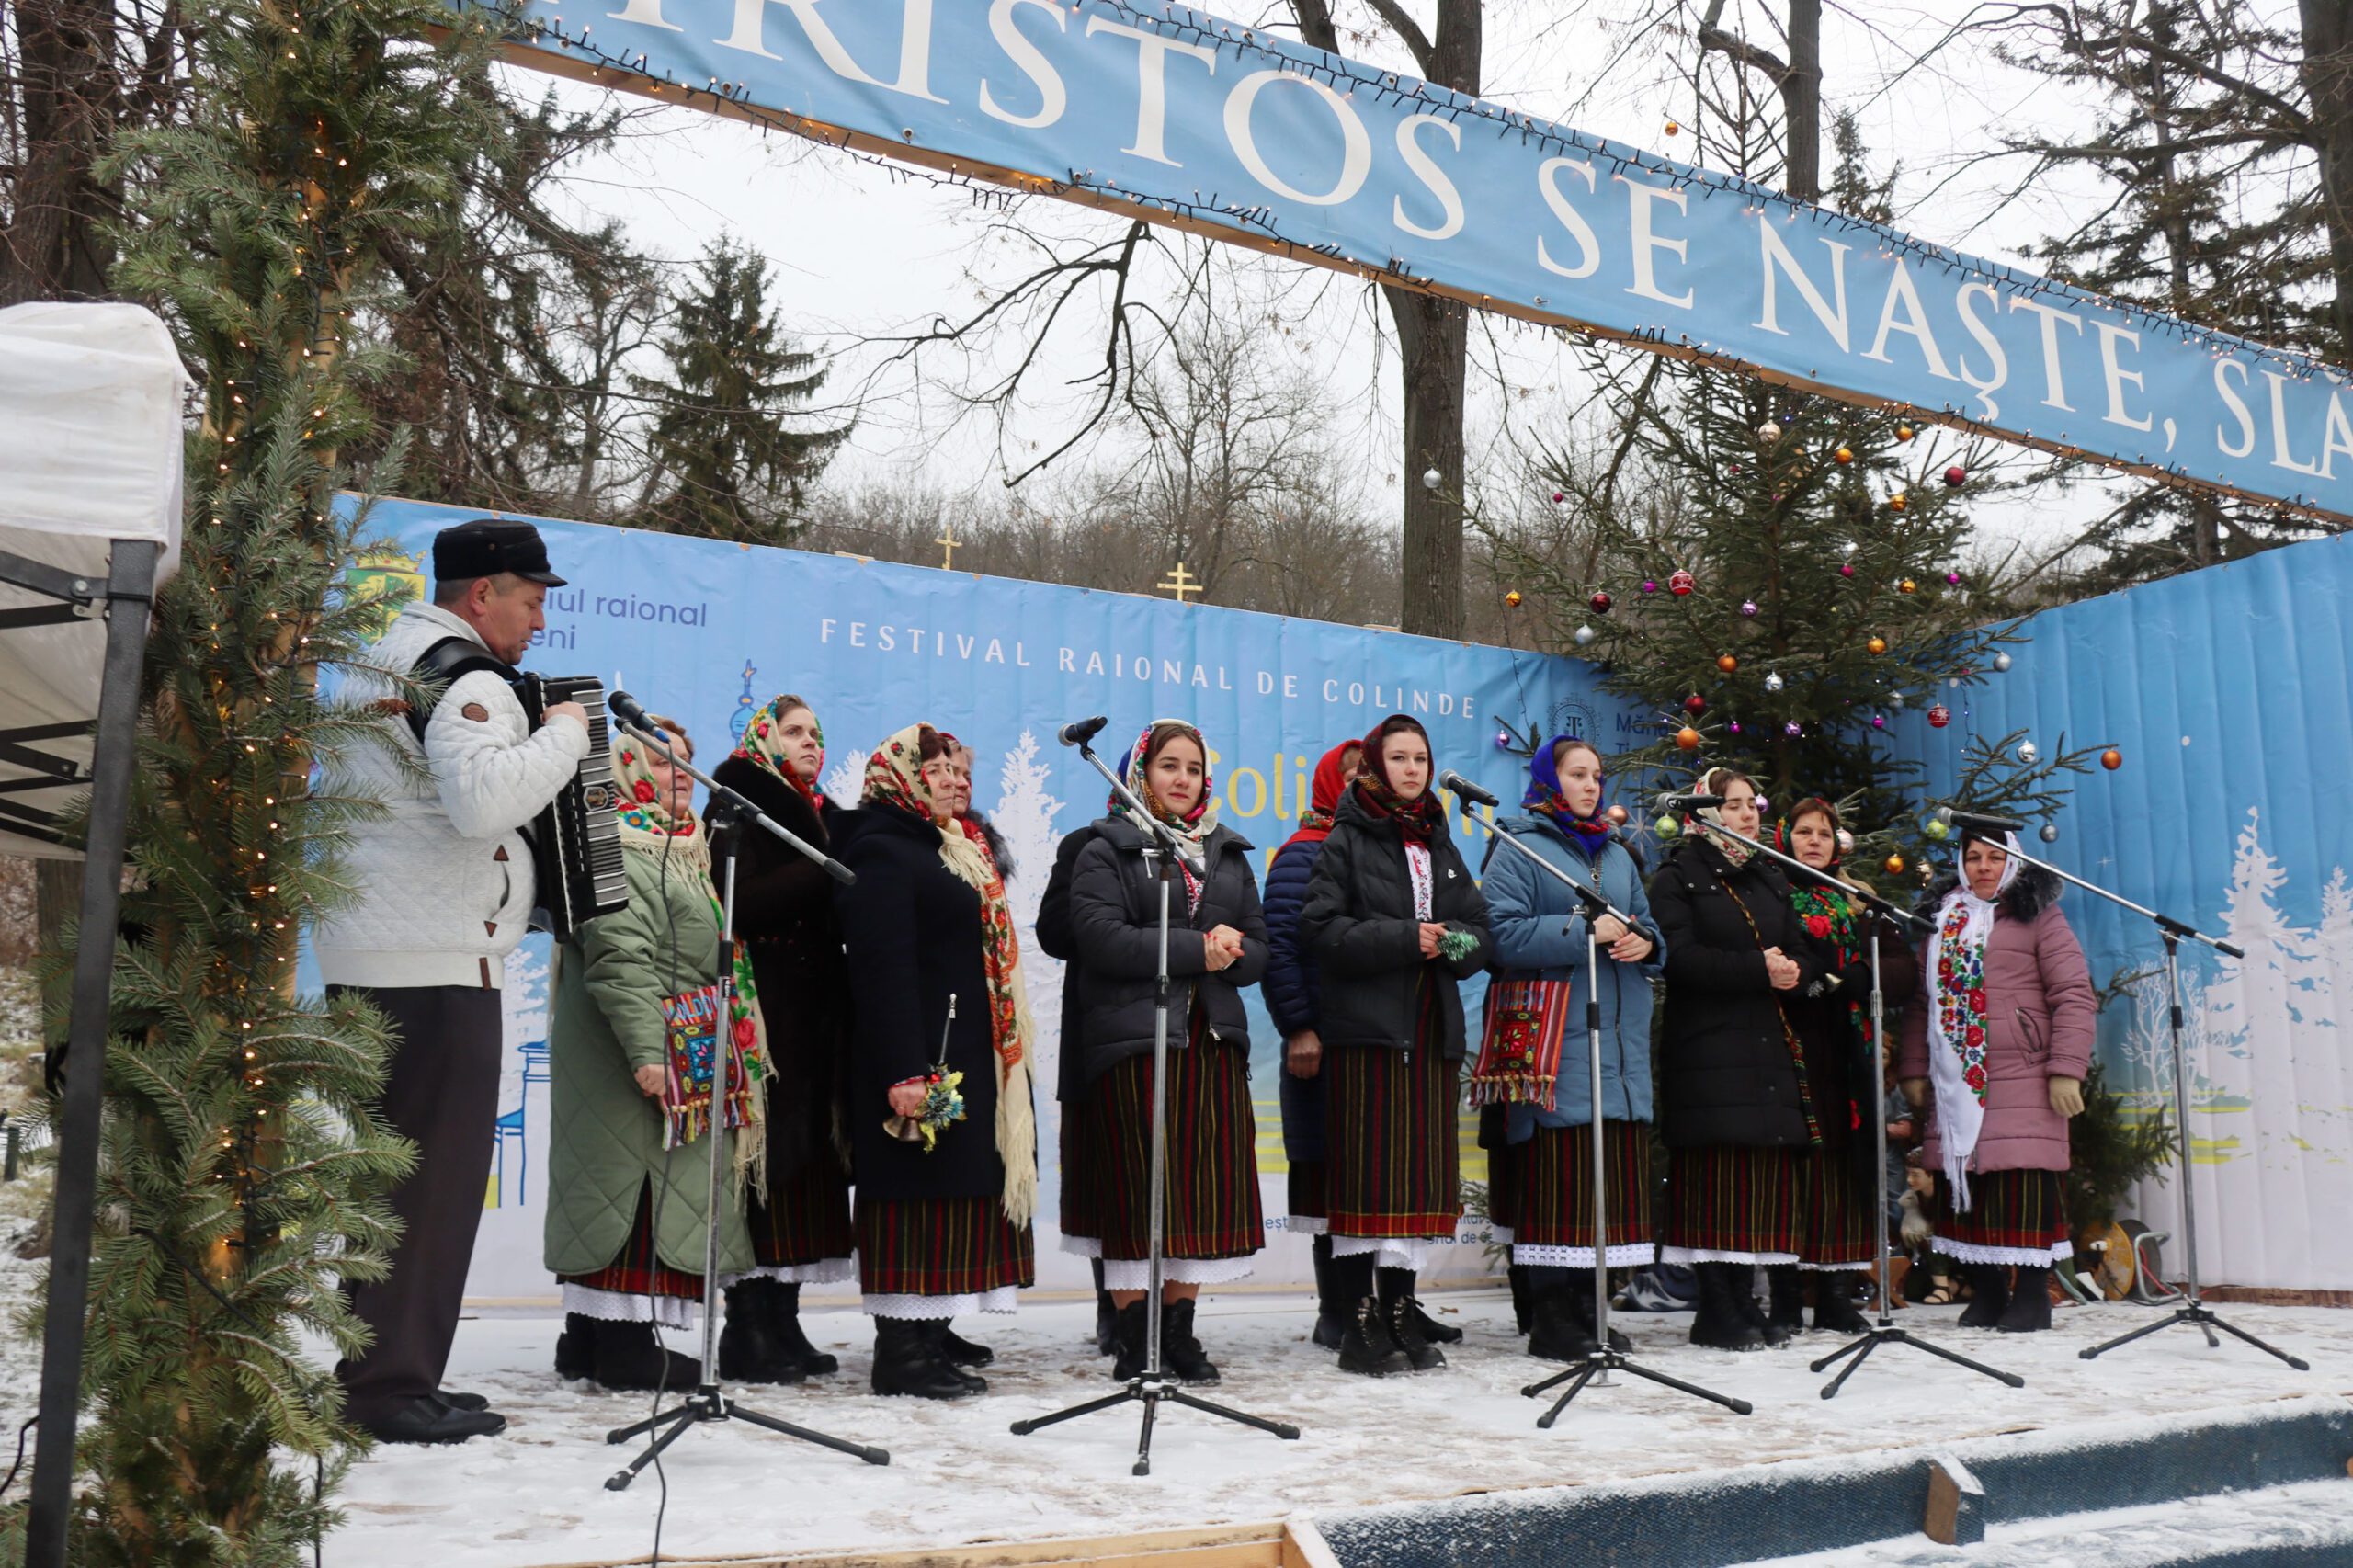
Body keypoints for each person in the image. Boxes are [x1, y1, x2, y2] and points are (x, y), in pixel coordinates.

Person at [315, 518, 587, 1443]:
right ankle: (388, 1387)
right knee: (430, 1188)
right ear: (483, 594)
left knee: (390, 1184)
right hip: (435, 963)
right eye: (533, 600)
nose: (539, 621)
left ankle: (377, 1371)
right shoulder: (468, 677)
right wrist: (567, 734)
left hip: (377, 953)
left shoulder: (389, 658)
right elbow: (481, 803)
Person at [544, 717, 756, 1391]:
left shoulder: (676, 848)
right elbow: (620, 961)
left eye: (686, 762)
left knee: (637, 1182)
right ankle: (626, 1349)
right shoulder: (616, 846)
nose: (681, 776)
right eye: (663, 763)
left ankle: (588, 1340)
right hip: (637, 1054)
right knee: (628, 1184)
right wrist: (648, 1055)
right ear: (628, 771)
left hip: (672, 1042)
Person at [831, 723, 1040, 1396]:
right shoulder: (882, 851)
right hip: (918, 1053)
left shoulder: (950, 847)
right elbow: (881, 968)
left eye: (959, 770)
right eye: (937, 770)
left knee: (950, 1193)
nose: (954, 780)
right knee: (913, 1196)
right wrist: (903, 1069)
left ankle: (929, 1331)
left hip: (959, 1048)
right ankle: (900, 1352)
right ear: (900, 778)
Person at [1059, 721, 1269, 1382]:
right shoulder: (1107, 847)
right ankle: (1134, 1336)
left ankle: (1179, 1332)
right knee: (1136, 1190)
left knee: (1199, 1194)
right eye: (1169, 766)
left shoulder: (1226, 851)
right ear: (1141, 774)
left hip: (1211, 1041)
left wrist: (1233, 952)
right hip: (1135, 1041)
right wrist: (1197, 949)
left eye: (1194, 768)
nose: (1183, 779)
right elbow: (1101, 938)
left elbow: (1260, 947)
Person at [1299, 715, 1491, 1374]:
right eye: (1400, 758)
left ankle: (1402, 1311)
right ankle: (1359, 1323)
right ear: (1376, 767)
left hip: (1431, 1032)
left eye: (1421, 759)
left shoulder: (1438, 839)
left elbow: (1480, 931)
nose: (1413, 770)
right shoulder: (1346, 838)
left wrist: (1451, 942)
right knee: (1369, 1181)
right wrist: (1409, 938)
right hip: (1368, 1036)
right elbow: (1320, 930)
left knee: (1416, 1183)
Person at [1479, 736, 1664, 1362]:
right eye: (1577, 774)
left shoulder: (1615, 853)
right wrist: (1583, 928)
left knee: (1604, 1184)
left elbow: (1646, 925)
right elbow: (1499, 934)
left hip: (1617, 1042)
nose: (1590, 785)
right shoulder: (1519, 845)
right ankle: (1553, 1317)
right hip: (1555, 1042)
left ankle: (1592, 1310)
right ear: (1548, 781)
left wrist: (1646, 943)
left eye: (1596, 776)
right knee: (1560, 1183)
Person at [1648, 767, 1824, 1352]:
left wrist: (1794, 971)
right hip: (1707, 1048)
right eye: (1735, 804)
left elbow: (1798, 946)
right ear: (1705, 813)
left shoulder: (1768, 875)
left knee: (1757, 1181)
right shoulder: (1678, 875)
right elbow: (1678, 958)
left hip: (1766, 1045)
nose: (1749, 814)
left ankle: (1746, 1298)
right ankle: (1716, 1305)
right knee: (1716, 1178)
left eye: (1754, 804)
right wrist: (1757, 968)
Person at [709, 695, 854, 1382]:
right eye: (794, 731)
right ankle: (746, 1327)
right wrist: (822, 867)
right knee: (763, 1164)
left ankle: (784, 1319)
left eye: (816, 733)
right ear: (763, 740)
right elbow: (734, 901)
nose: (809, 742)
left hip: (813, 1012)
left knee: (803, 1166)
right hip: (763, 1009)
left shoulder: (822, 812)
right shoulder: (735, 803)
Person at [1898, 825, 2096, 1334]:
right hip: (1954, 1078)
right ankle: (1988, 1292)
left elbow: (2073, 993)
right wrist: (1914, 1068)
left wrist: (2066, 1070)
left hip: (2022, 1075)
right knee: (1968, 1189)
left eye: (1994, 857)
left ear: (2013, 862)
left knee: (2021, 1186)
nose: (1983, 867)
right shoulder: (1941, 921)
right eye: (1973, 857)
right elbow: (1922, 1003)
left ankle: (2031, 1296)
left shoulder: (2038, 916)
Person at [1776, 798, 1920, 1335]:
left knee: (1845, 1170)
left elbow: (1903, 967)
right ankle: (1787, 1296)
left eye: (1824, 833)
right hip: (1790, 1046)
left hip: (1848, 1052)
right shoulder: (1772, 892)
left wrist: (1861, 975)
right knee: (1795, 1172)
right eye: (1804, 831)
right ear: (1784, 837)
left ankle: (1837, 1295)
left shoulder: (1859, 899)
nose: (1815, 841)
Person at [1264, 738, 1363, 1350]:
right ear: (1330, 782)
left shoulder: (1387, 848)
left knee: (1376, 1176)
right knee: (1331, 1173)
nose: (1362, 786)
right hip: (1322, 1044)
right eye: (1351, 776)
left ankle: (1391, 1304)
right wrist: (1299, 1026)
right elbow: (1278, 947)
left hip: (1373, 1042)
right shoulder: (1302, 852)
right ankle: (1337, 1311)